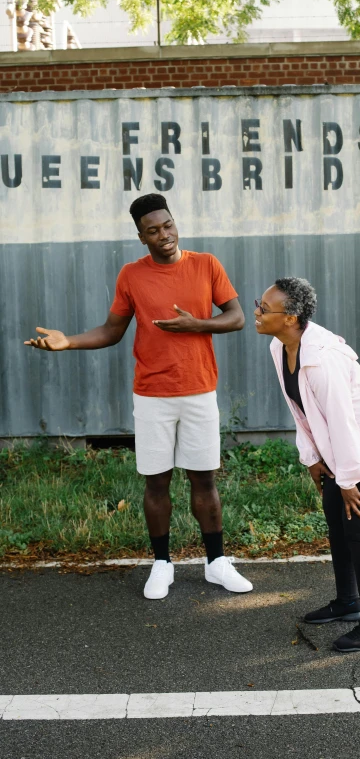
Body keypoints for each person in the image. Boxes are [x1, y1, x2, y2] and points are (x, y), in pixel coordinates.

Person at [24, 193, 253, 600]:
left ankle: (216, 563)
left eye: (168, 225)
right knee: (156, 482)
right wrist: (68, 342)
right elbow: (112, 331)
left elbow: (235, 318)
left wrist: (195, 325)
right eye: (153, 230)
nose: (165, 235)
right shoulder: (131, 275)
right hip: (152, 395)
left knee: (204, 479)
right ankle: (162, 565)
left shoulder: (206, 264)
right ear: (141, 237)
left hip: (199, 389)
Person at [255, 278, 360, 653]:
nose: (256, 312)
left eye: (263, 308)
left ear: (290, 317)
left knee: (359, 528)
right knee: (335, 518)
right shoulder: (280, 346)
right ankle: (348, 602)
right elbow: (302, 409)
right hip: (342, 444)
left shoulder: (322, 360)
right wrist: (312, 458)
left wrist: (349, 480)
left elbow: (342, 422)